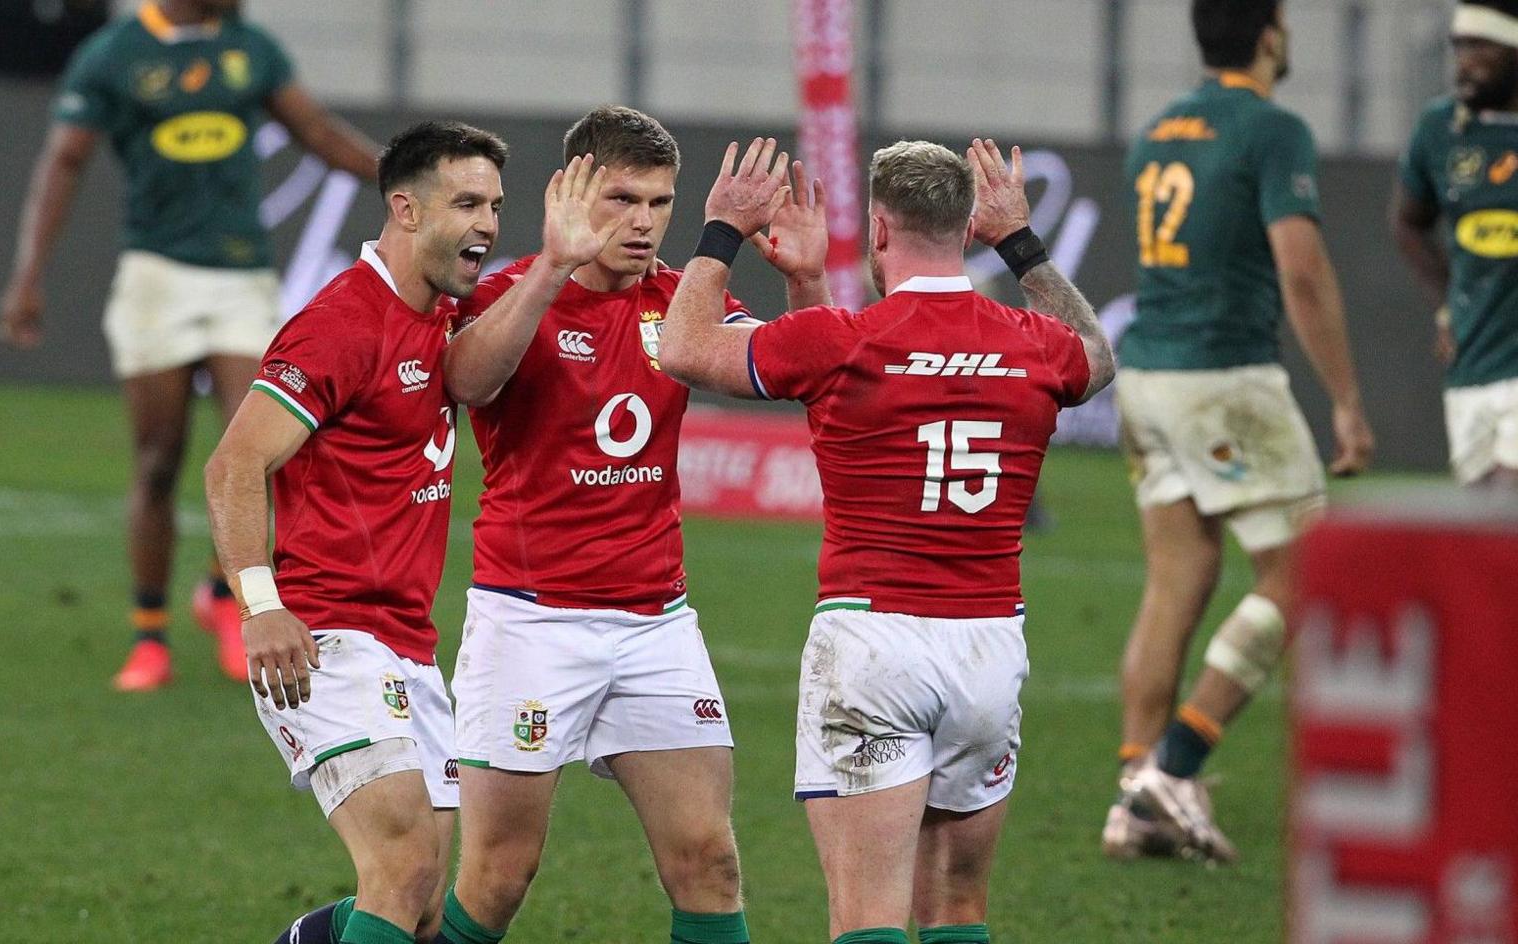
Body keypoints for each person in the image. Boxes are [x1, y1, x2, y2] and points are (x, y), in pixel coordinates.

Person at [660, 136, 1114, 944]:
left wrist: (723, 230)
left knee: (867, 918)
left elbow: (685, 346)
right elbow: (1099, 358)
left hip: (874, 647)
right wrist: (1022, 243)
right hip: (989, 647)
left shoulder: (845, 342)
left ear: (876, 230)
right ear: (971, 225)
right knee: (957, 908)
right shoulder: (1034, 345)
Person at [433, 107, 819, 944]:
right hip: (530, 620)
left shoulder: (680, 303)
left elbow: (795, 374)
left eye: (659, 203)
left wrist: (807, 283)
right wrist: (552, 267)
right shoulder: (505, 294)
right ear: (568, 192)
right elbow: (468, 381)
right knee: (499, 875)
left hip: (655, 626)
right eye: (620, 198)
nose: (642, 223)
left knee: (708, 861)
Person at [0, 0, 381, 691]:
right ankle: (150, 636)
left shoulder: (250, 48)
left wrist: (411, 177)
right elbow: (64, 159)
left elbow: (319, 133)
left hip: (241, 276)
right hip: (157, 277)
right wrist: (27, 277)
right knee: (158, 459)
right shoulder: (113, 55)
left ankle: (226, 600)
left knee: (261, 450)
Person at [203, 121, 508, 944]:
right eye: (468, 203)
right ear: (405, 210)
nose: (487, 222)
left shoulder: (447, 310)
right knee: (403, 867)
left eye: (496, 205)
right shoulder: (342, 323)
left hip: (407, 641)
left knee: (426, 907)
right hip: (321, 635)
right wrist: (261, 607)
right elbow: (232, 467)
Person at [1105, 0, 1374, 863]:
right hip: (1223, 379)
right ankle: (1175, 770)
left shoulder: (1157, 130)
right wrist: (1346, 399)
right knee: (1305, 571)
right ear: (1269, 35)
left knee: (1176, 579)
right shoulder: (1272, 128)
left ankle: (1131, 799)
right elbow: (1300, 267)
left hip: (1144, 376)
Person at [1394, 0, 1518, 491]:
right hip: (1471, 365)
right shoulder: (1440, 129)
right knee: (1483, 535)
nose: (1464, 61)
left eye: (1479, 47)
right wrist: (1445, 306)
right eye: (1459, 47)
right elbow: (1407, 223)